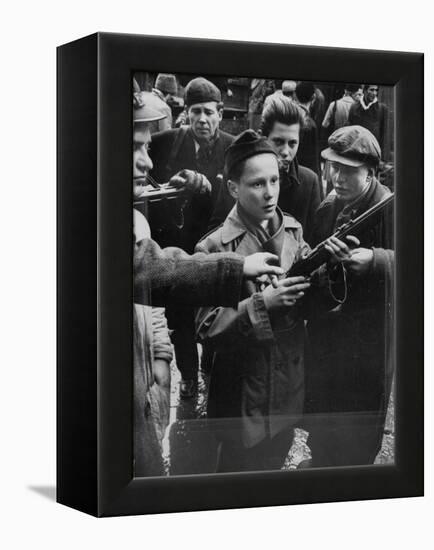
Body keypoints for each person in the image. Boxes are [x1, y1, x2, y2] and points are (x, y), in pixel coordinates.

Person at [132, 97, 284, 476]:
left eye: (146, 148)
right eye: (134, 148)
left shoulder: (291, 228)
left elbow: (144, 293)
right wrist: (259, 297)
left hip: (278, 398)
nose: (147, 162)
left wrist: (160, 355)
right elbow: (153, 271)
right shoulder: (211, 242)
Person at [195, 130, 342, 473]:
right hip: (241, 399)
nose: (270, 192)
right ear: (233, 188)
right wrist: (263, 304)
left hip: (286, 393)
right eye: (257, 184)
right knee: (235, 480)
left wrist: (329, 271)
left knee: (273, 474)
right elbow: (206, 326)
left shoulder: (293, 231)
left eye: (274, 180)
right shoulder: (214, 248)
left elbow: (310, 302)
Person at [303, 125, 394, 468]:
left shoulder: (393, 210)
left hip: (370, 347)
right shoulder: (328, 209)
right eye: (332, 166)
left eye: (348, 171)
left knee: (359, 434)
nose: (337, 177)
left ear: (371, 172)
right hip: (328, 340)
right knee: (323, 423)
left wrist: (377, 260)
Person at [147, 77, 235, 398]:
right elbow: (142, 175)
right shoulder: (164, 143)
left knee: (217, 313)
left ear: (220, 113)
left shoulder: (234, 147)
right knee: (180, 319)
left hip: (216, 248)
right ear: (185, 112)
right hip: (178, 249)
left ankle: (209, 370)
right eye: (195, 111)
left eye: (209, 112)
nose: (202, 119)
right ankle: (188, 376)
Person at [210, 95, 321, 243]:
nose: (286, 151)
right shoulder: (240, 173)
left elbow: (314, 238)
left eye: (292, 143)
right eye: (278, 142)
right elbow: (219, 228)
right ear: (263, 138)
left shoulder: (309, 181)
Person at [348, 84, 388, 153]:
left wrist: (382, 156)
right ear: (365, 91)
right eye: (372, 90)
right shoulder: (354, 107)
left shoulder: (382, 108)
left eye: (376, 90)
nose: (374, 93)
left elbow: (384, 134)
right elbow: (349, 130)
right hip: (356, 150)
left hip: (372, 151)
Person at [295, 81, 320, 176]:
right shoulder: (310, 124)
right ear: (313, 97)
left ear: (295, 96)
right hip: (304, 174)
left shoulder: (288, 115)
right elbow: (313, 160)